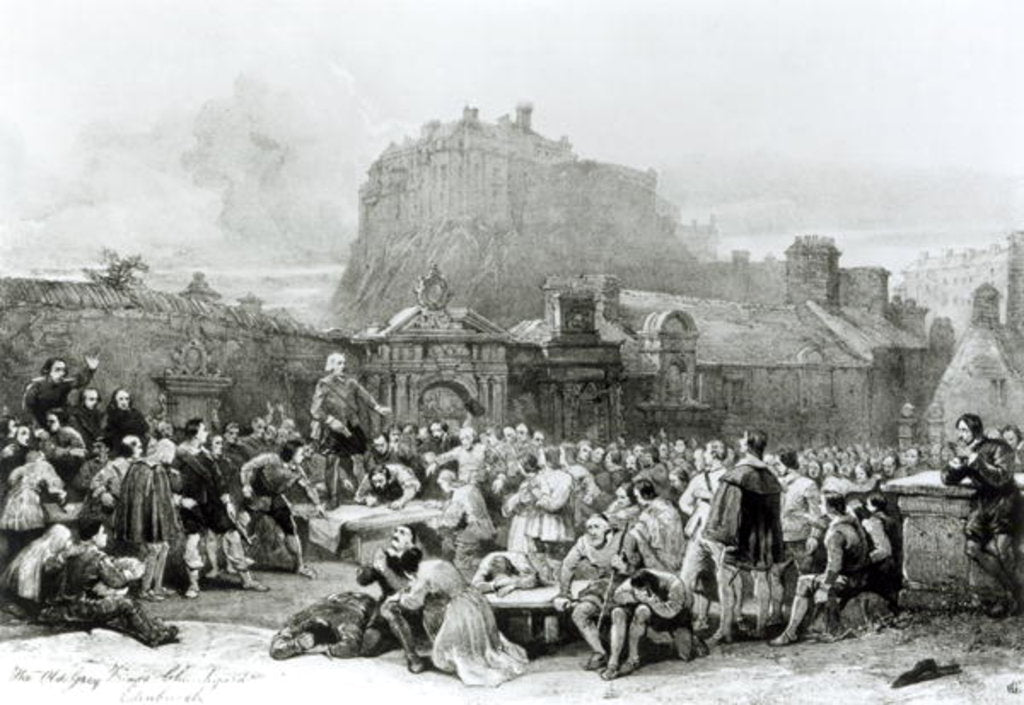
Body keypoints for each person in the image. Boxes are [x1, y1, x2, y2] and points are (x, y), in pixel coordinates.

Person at [380, 553, 529, 685]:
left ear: (408, 572)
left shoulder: (422, 578)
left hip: (461, 609)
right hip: (474, 599)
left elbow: (413, 602)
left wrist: (399, 597)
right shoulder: (433, 564)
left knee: (457, 651)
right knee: (482, 645)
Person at [36, 518, 179, 647]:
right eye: (103, 533)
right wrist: (133, 573)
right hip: (82, 608)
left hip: (62, 606)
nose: (105, 536)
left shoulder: (70, 552)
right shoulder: (97, 557)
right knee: (127, 604)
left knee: (112, 603)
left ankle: (154, 626)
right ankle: (153, 635)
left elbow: (54, 570)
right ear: (93, 537)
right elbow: (116, 581)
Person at [702, 429, 784, 644]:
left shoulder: (738, 475)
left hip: (740, 537)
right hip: (763, 537)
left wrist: (719, 536)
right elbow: (775, 517)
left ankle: (725, 630)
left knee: (725, 578)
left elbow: (728, 512)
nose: (738, 440)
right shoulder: (770, 476)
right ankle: (761, 627)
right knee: (762, 577)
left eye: (742, 438)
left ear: (747, 445)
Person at [942, 412, 1023, 617]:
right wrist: (953, 468)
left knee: (1003, 552)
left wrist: (975, 460)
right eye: (958, 430)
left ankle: (1017, 597)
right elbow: (947, 479)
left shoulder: (999, 447)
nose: (960, 434)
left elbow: (1002, 478)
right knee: (972, 549)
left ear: (975, 430)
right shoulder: (967, 451)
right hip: (983, 505)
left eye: (964, 430)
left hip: (1005, 503)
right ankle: (1012, 593)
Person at [770, 493, 870, 646]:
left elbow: (834, 566)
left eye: (822, 503)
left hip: (848, 579)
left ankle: (790, 633)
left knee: (803, 582)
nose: (820, 506)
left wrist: (825, 587)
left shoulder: (835, 534)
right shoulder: (850, 522)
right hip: (859, 574)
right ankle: (798, 630)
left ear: (831, 508)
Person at [310, 352, 392, 507]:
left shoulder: (351, 382)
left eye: (344, 362)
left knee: (362, 457)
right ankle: (333, 499)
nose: (343, 366)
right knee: (332, 461)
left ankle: (368, 493)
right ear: (331, 365)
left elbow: (365, 396)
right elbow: (315, 410)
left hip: (352, 425)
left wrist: (377, 407)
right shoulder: (324, 384)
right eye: (339, 363)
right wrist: (330, 420)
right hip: (334, 429)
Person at [553, 513, 629, 672]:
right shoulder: (584, 542)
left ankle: (619, 657)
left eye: (597, 527)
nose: (592, 532)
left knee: (619, 613)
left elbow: (641, 566)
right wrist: (564, 593)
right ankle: (600, 652)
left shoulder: (624, 539)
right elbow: (567, 565)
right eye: (589, 528)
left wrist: (624, 567)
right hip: (602, 586)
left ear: (608, 530)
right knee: (579, 613)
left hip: (626, 584)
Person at [601, 569, 708, 680]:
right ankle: (617, 662)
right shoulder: (637, 579)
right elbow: (617, 595)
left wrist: (651, 602)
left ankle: (692, 640)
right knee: (618, 613)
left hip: (668, 616)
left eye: (644, 589)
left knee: (685, 654)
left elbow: (671, 612)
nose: (640, 591)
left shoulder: (674, 584)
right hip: (641, 608)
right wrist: (635, 597)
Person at [241, 440, 325, 579]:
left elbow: (308, 488)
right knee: (246, 527)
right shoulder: (270, 458)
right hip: (257, 497)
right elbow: (246, 467)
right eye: (301, 453)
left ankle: (299, 565)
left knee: (290, 528)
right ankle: (237, 561)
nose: (304, 455)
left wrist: (317, 504)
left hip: (275, 499)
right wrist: (245, 485)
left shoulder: (297, 470)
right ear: (291, 453)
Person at [115, 437, 182, 601]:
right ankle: (145, 590)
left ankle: (157, 587)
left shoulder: (139, 467)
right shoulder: (152, 469)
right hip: (149, 519)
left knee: (163, 547)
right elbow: (159, 500)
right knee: (154, 550)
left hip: (146, 518)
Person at [678, 439, 732, 632]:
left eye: (707, 452)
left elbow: (733, 506)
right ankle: (685, 621)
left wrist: (709, 497)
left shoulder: (729, 477)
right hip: (698, 532)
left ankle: (727, 626)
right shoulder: (699, 478)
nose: (704, 456)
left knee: (724, 579)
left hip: (719, 534)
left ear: (715, 454)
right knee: (687, 578)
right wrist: (694, 511)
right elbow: (683, 501)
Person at [777, 449, 823, 606]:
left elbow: (816, 514)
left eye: (778, 464)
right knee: (777, 576)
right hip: (780, 537)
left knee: (805, 577)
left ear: (787, 465)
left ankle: (809, 617)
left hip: (801, 538)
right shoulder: (777, 483)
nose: (776, 467)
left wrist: (814, 536)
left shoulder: (807, 484)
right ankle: (779, 615)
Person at [0, 451, 66, 555]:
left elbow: (11, 481)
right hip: (29, 500)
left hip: (12, 502)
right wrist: (59, 494)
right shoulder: (43, 467)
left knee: (15, 536)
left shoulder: (20, 469)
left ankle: (14, 560)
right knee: (30, 534)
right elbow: (55, 485)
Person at [436, 469, 496, 580]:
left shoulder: (459, 494)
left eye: (441, 484)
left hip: (475, 529)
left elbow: (451, 520)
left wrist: (438, 524)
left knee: (452, 548)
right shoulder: (469, 487)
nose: (441, 487)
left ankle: (471, 578)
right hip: (486, 526)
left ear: (447, 482)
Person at [1, 523, 74, 604]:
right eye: (64, 540)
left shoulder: (48, 546)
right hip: (25, 576)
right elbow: (46, 568)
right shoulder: (42, 548)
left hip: (32, 572)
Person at [623, 479, 685, 573]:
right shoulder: (654, 506)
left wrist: (644, 522)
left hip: (668, 549)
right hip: (665, 547)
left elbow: (663, 530)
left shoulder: (661, 507)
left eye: (638, 496)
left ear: (646, 495)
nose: (637, 500)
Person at [23, 356, 99, 428]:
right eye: (57, 370)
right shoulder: (35, 386)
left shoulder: (63, 384)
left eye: (63, 370)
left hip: (62, 421)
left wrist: (91, 369)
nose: (62, 373)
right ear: (47, 371)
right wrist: (39, 428)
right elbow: (28, 410)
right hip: (41, 424)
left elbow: (79, 380)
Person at [471, 550, 547, 597]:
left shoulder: (515, 575)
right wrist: (495, 585)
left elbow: (533, 579)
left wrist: (512, 585)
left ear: (508, 567)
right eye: (493, 561)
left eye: (499, 561)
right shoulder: (486, 566)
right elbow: (475, 586)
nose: (495, 562)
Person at [40, 409, 87, 483]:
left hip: (72, 474)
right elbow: (48, 454)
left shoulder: (68, 432)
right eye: (48, 421)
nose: (48, 424)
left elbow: (81, 453)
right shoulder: (49, 436)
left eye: (52, 421)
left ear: (60, 421)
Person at [354, 462, 421, 510]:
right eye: (374, 482)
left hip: (412, 500)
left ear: (389, 479)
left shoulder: (400, 471)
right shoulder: (368, 478)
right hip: (386, 503)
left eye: (380, 481)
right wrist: (367, 499)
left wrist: (401, 501)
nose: (377, 485)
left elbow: (411, 488)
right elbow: (358, 496)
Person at [104, 388, 150, 455]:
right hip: (121, 446)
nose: (124, 402)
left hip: (139, 443)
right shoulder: (113, 415)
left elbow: (145, 427)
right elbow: (117, 431)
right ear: (115, 401)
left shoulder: (135, 413)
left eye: (127, 399)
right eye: (121, 399)